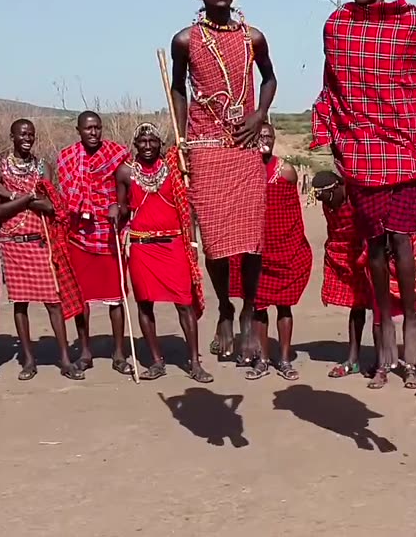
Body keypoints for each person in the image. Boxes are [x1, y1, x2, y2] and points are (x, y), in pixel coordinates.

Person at [311, 0, 416, 388]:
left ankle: (407, 325)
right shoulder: (337, 26)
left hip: (402, 142)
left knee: (401, 237)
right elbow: (334, 81)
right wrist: (334, 127)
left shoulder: (409, 23)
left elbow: (415, 80)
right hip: (362, 148)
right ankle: (383, 325)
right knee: (375, 245)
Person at [170, 0, 277, 364]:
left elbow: (269, 79)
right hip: (206, 145)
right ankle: (225, 308)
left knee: (251, 238)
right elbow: (178, 88)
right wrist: (181, 138)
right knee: (214, 242)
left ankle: (249, 310)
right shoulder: (185, 40)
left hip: (245, 143)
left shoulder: (253, 38)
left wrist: (259, 115)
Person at [0, 119, 85, 382]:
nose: (27, 138)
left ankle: (64, 359)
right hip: (13, 242)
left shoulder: (43, 167)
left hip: (40, 241)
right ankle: (28, 360)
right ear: (12, 136)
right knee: (20, 304)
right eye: (22, 134)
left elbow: (51, 206)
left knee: (53, 301)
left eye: (31, 134)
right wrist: (28, 198)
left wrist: (13, 196)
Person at [116, 123, 210, 382]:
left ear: (160, 143)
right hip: (142, 248)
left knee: (184, 303)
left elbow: (188, 205)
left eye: (152, 141)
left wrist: (192, 241)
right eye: (142, 141)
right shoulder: (125, 172)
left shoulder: (175, 169)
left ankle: (194, 362)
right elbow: (124, 209)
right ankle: (156, 361)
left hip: (173, 245)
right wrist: (116, 210)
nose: (147, 146)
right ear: (135, 145)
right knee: (145, 304)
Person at [313, 171, 416, 381]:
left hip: (394, 251)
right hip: (364, 254)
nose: (328, 203)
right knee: (369, 310)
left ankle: (410, 366)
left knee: (404, 308)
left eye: (329, 196)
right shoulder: (353, 194)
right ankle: (374, 363)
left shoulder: (389, 188)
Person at [226, 123, 311, 380]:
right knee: (258, 307)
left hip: (283, 249)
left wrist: (293, 247)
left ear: (275, 140)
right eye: (260, 135)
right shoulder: (241, 171)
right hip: (254, 251)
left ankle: (284, 360)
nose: (265, 140)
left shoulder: (286, 172)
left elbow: (293, 215)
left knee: (284, 307)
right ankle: (262, 360)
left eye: (269, 136)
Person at [57, 111, 131, 374]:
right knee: (82, 300)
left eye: (97, 128)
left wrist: (118, 207)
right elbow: (66, 198)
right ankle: (85, 352)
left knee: (115, 300)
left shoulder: (117, 156)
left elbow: (127, 193)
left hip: (109, 235)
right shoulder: (67, 158)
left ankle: (119, 353)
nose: (93, 133)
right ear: (78, 130)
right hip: (79, 237)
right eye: (88, 128)